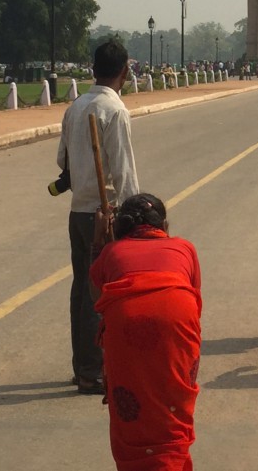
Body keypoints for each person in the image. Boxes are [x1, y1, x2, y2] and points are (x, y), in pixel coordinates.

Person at [90, 193, 201, 471]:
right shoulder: (184, 247)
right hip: (178, 314)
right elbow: (195, 296)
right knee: (171, 402)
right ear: (163, 225)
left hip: (125, 323)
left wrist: (98, 243)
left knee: (134, 406)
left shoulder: (110, 252)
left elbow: (97, 300)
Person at [57, 39, 140, 395]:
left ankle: (83, 364)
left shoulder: (77, 106)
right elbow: (123, 171)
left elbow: (63, 162)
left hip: (79, 210)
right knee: (98, 293)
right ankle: (92, 370)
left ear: (93, 69)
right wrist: (137, 215)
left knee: (81, 289)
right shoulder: (114, 110)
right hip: (103, 215)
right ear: (125, 71)